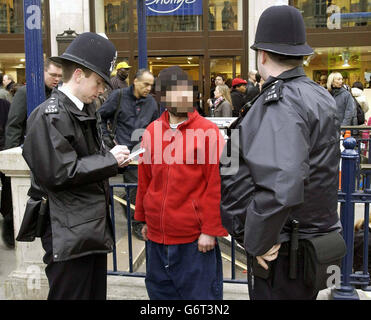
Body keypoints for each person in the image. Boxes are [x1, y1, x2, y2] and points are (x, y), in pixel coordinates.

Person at [220, 5, 342, 300]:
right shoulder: (317, 94)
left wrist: (259, 241)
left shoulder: (282, 100)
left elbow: (282, 181)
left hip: (284, 252)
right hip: (308, 243)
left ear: (261, 54)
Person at [20, 32, 131, 300]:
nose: (103, 89)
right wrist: (109, 160)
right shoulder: (51, 115)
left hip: (86, 228)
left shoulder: (85, 109)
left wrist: (114, 161)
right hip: (68, 232)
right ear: (79, 74)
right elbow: (58, 173)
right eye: (99, 82)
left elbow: (86, 160)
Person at [135, 66, 228, 300]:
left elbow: (215, 185)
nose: (185, 96)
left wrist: (210, 230)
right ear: (163, 98)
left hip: (194, 242)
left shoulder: (209, 132)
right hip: (157, 241)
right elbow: (145, 180)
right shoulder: (151, 131)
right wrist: (144, 219)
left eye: (187, 90)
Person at [99, 69, 159, 240]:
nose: (148, 88)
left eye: (151, 85)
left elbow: (155, 126)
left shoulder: (152, 104)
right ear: (135, 81)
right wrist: (109, 141)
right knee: (134, 187)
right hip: (120, 151)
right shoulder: (118, 96)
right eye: (145, 84)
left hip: (141, 153)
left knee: (140, 187)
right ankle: (133, 219)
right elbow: (101, 117)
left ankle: (135, 217)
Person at [0, 97, 11, 248]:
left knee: (8, 193)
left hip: (4, 150)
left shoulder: (4, 105)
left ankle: (9, 228)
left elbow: (12, 127)